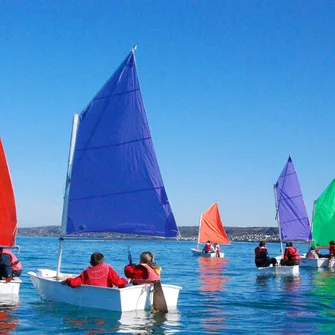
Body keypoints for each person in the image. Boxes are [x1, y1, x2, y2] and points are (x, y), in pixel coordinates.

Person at [63, 252, 129, 288]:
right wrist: (126, 281)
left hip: (92, 296)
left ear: (91, 263)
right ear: (103, 261)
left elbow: (74, 283)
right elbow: (118, 282)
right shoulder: (108, 268)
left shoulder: (86, 272)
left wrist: (67, 280)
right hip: (107, 295)